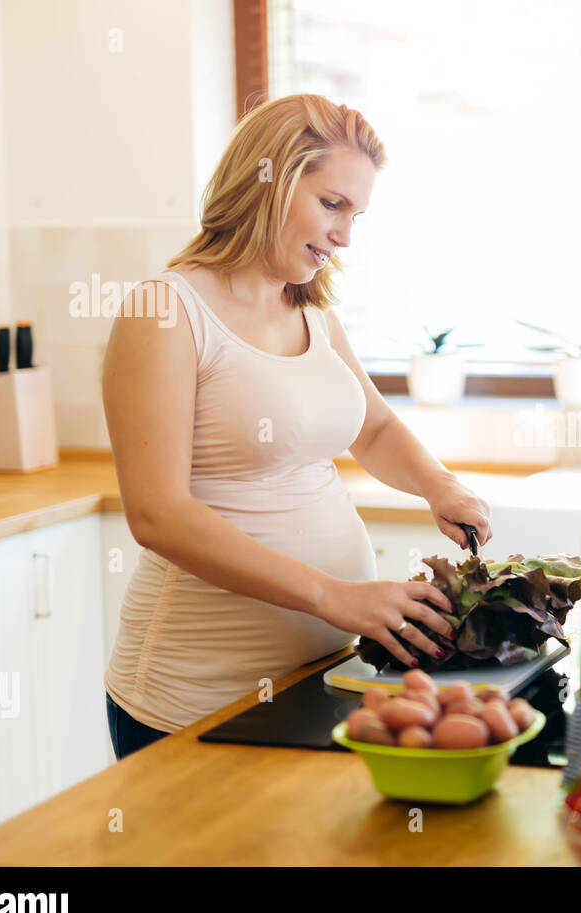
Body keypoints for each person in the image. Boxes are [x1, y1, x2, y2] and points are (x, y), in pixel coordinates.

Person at [101, 94, 491, 759]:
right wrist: (333, 596)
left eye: (355, 215)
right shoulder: (167, 311)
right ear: (269, 180)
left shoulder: (310, 311)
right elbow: (158, 515)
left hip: (320, 680)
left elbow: (372, 429)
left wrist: (440, 486)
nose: (344, 236)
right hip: (194, 699)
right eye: (331, 204)